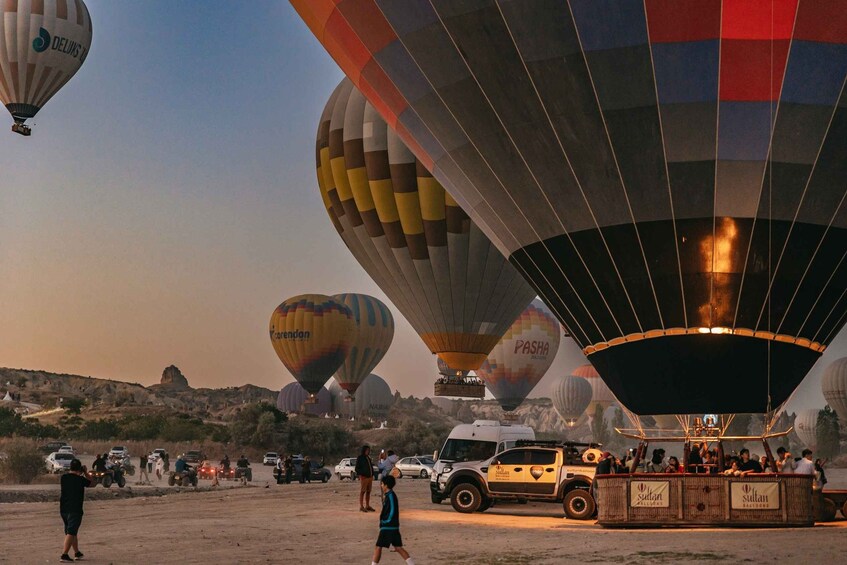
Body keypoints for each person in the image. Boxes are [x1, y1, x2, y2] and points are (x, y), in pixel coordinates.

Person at [372, 475, 414, 565]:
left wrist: (385, 521)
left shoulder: (391, 496)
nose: (381, 486)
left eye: (382, 484)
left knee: (378, 547)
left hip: (388, 527)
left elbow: (392, 511)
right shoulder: (388, 495)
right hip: (392, 527)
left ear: (386, 485)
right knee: (398, 547)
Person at [59, 459, 91, 562]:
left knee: (71, 531)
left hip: (64, 508)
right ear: (79, 469)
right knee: (71, 532)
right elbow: (93, 482)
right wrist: (85, 472)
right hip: (75, 508)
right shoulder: (80, 479)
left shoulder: (64, 478)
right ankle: (64, 555)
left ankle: (77, 552)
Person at [356, 445, 376, 512]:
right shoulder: (360, 458)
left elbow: (370, 467)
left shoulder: (368, 457)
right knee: (363, 491)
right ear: (364, 450)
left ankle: (367, 505)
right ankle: (361, 506)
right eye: (367, 450)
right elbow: (357, 469)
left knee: (368, 491)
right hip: (364, 477)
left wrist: (372, 474)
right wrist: (363, 474)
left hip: (370, 477)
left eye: (369, 450)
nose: (368, 451)